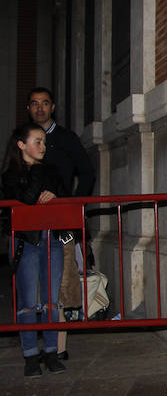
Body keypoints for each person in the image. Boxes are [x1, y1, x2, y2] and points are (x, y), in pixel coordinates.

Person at [27, 87, 96, 360]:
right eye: (34, 104)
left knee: (62, 281)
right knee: (34, 284)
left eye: (45, 103)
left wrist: (73, 204)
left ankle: (58, 347)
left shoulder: (66, 138)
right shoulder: (22, 138)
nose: (40, 108)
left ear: (52, 107)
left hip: (61, 224)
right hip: (31, 226)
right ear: (28, 109)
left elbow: (87, 172)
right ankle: (36, 346)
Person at [1, 123, 69, 376]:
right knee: (28, 301)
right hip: (26, 242)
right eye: (37, 141)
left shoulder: (50, 170)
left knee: (51, 301)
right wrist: (39, 174)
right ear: (22, 145)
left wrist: (55, 194)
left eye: (43, 142)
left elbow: (65, 196)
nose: (43, 146)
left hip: (51, 238)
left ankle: (51, 352)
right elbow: (28, 197)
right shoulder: (11, 174)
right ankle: (30, 355)